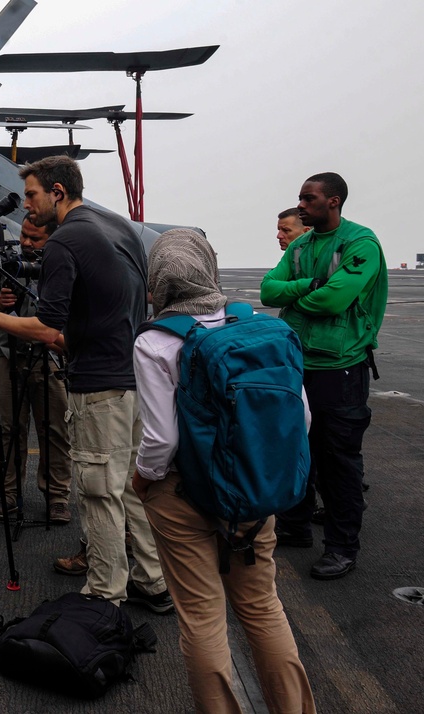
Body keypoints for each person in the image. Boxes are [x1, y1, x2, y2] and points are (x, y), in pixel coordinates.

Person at [0, 155, 171, 613]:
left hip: (98, 386)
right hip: (133, 379)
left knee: (98, 492)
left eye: (32, 196)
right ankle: (152, 582)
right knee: (130, 489)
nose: (27, 207)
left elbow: (49, 326)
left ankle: (104, 594)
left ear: (57, 192)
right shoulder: (118, 227)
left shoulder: (65, 241)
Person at [132, 228, 316, 714]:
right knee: (262, 608)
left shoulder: (154, 341)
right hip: (253, 489)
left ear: (160, 279)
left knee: (202, 619)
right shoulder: (254, 325)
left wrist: (143, 481)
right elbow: (303, 417)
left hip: (183, 493)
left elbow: (161, 440)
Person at [261, 172, 387, 580]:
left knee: (338, 462)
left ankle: (342, 547)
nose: (300, 204)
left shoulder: (360, 243)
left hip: (340, 367)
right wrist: (310, 284)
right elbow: (267, 291)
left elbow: (335, 300)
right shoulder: (301, 245)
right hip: (298, 363)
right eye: (299, 197)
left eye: (308, 198)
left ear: (333, 202)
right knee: (296, 448)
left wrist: (298, 297)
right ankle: (295, 528)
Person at [0, 217, 72, 524]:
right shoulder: (3, 264)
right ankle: (8, 493)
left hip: (48, 356)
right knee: (9, 429)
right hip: (7, 355)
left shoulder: (62, 266)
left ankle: (57, 495)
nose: (25, 242)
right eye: (23, 235)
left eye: (34, 238)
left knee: (55, 429)